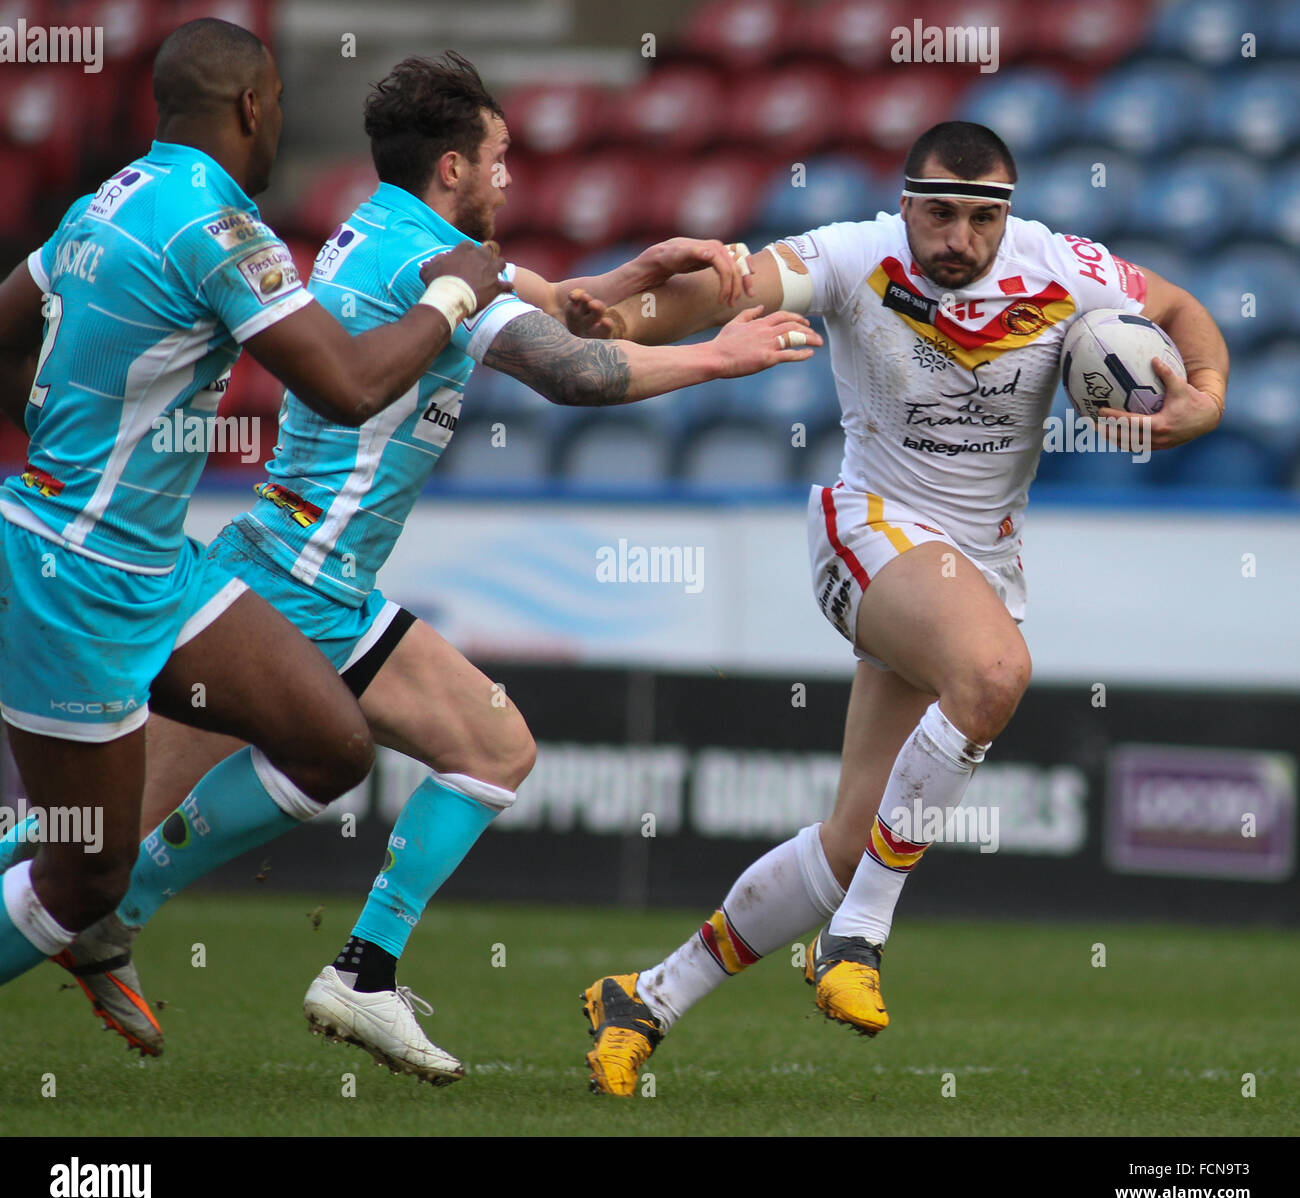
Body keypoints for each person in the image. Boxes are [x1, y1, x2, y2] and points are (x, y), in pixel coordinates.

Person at [4, 52, 821, 1081]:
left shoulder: (388, 229)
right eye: (500, 160)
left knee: (489, 749)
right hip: (290, 580)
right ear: (450, 168)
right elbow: (569, 372)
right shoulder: (426, 267)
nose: (512, 180)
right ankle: (155, 919)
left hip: (313, 575)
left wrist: (630, 275)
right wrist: (719, 358)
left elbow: (556, 307)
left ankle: (357, 971)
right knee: (72, 838)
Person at [569, 120, 1230, 1095]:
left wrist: (1204, 396)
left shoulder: (1061, 267)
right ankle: (859, 941)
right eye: (938, 213)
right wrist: (624, 324)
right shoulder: (853, 255)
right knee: (996, 671)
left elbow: (1177, 305)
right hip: (865, 528)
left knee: (851, 841)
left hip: (974, 571)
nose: (957, 237)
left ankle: (645, 998)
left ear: (1006, 214)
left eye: (979, 217)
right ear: (905, 200)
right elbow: (732, 287)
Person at [0, 19, 513, 999]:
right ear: (249, 107)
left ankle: (118, 901)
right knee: (78, 873)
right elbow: (351, 389)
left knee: (330, 744)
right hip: (78, 573)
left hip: (156, 566)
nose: (279, 120)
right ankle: (101, 908)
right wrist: (447, 298)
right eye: (276, 103)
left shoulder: (106, 200)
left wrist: (59, 418)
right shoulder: (220, 228)